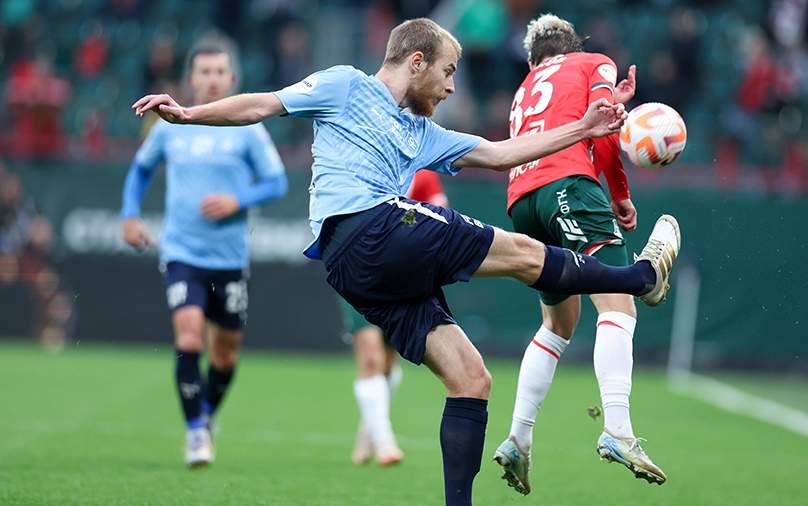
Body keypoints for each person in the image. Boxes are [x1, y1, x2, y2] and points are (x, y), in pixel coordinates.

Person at [131, 18, 679, 505]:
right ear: (416, 62)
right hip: (368, 225)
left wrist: (584, 128)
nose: (452, 86)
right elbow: (263, 104)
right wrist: (189, 114)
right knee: (521, 252)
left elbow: (499, 153)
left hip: (356, 272)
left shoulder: (423, 132)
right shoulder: (346, 85)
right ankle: (638, 277)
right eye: (447, 71)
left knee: (471, 378)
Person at [492, 14, 669, 496]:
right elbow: (604, 126)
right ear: (573, 46)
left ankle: (518, 438)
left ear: (534, 60)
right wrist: (620, 193)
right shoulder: (593, 61)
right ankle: (618, 429)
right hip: (568, 184)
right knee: (618, 303)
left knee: (558, 323)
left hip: (522, 200)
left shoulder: (525, 87)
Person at [121, 34, 288, 468]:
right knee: (190, 336)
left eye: (220, 72)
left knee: (226, 353)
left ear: (232, 79)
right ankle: (195, 430)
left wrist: (238, 200)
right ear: (191, 79)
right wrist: (130, 215)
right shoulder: (169, 126)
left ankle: (208, 414)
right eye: (204, 72)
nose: (212, 79)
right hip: (182, 253)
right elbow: (140, 170)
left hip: (229, 258)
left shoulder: (248, 129)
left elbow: (277, 182)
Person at [349, 169, 448, 468]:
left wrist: (402, 221)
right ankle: (385, 442)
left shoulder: (423, 174)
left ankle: (368, 429)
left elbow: (439, 215)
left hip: (401, 275)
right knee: (371, 359)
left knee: (389, 363)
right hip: (356, 268)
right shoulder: (362, 165)